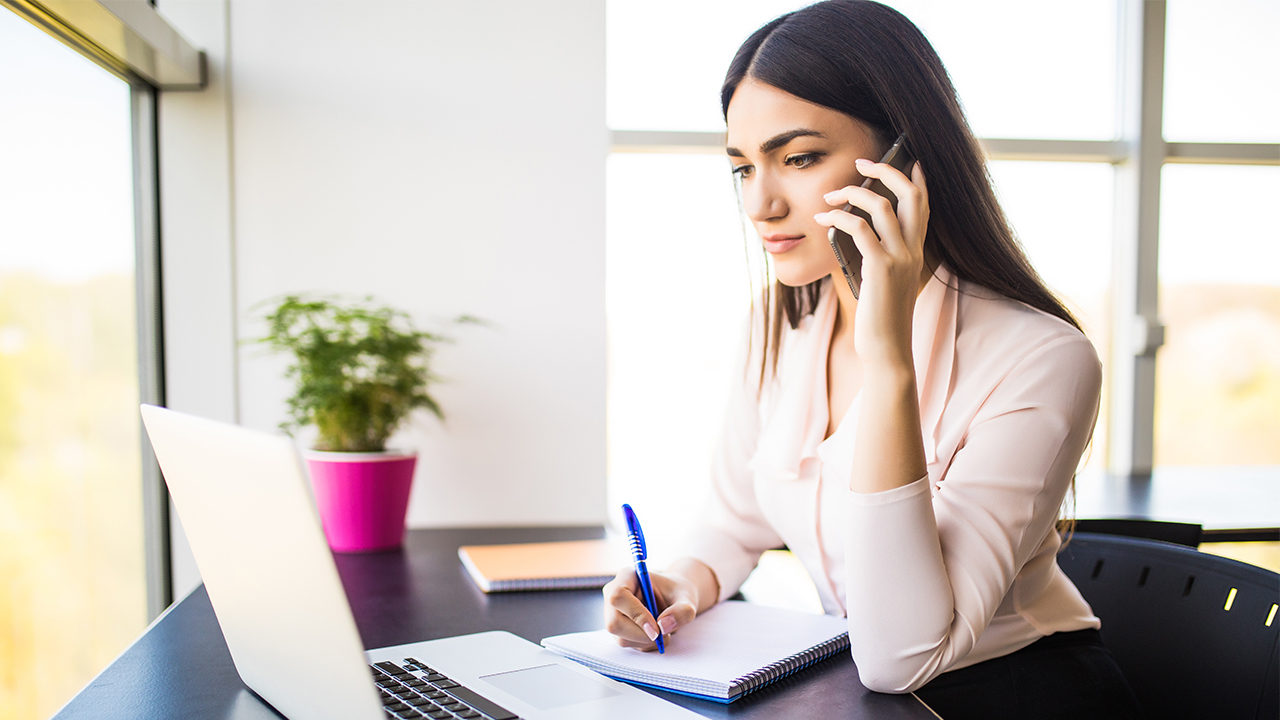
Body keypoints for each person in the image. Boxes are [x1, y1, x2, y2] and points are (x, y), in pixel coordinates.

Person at [601, 2, 1142, 718]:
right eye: (742, 168)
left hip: (1013, 695)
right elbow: (735, 522)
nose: (759, 204)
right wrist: (681, 583)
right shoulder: (782, 320)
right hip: (858, 696)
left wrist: (888, 360)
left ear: (903, 162)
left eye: (797, 159)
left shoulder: (1041, 357)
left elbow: (900, 655)